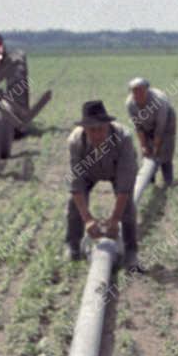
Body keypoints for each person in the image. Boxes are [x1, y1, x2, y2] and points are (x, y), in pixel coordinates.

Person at [66, 100, 143, 272]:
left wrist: (115, 220)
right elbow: (76, 184)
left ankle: (131, 252)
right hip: (89, 172)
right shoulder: (75, 142)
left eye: (101, 129)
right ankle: (73, 247)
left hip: (116, 171)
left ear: (108, 125)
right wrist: (88, 220)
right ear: (84, 129)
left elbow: (124, 186)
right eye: (92, 130)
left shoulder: (123, 138)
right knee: (74, 204)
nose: (98, 134)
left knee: (128, 206)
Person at [125, 77, 177, 186]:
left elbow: (160, 128)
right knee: (147, 153)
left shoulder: (158, 101)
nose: (138, 95)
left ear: (147, 91)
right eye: (135, 92)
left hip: (166, 122)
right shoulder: (130, 104)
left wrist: (156, 147)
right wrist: (144, 146)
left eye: (141, 91)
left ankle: (168, 181)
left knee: (164, 150)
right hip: (146, 124)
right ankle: (149, 180)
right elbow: (138, 127)